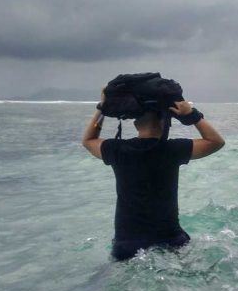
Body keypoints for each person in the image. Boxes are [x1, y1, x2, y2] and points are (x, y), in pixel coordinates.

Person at [82, 91, 225, 261]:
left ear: (135, 124)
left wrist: (101, 108)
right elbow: (216, 142)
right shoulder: (173, 149)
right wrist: (192, 115)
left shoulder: (117, 150)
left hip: (126, 244)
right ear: (165, 122)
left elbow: (88, 140)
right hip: (169, 240)